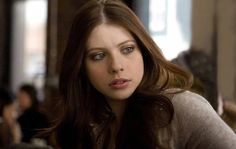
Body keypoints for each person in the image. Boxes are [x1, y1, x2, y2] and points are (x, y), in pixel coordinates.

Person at [46, 0, 236, 148]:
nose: (116, 66)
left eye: (127, 49)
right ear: (80, 66)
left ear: (144, 52)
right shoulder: (83, 127)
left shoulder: (181, 109)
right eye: (98, 55)